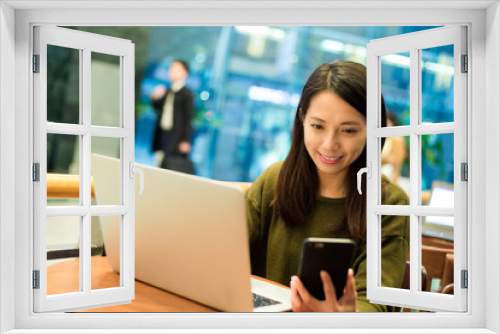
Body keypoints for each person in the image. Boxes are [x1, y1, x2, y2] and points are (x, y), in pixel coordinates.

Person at [245, 61, 410, 312]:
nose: (329, 144)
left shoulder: (388, 202)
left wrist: (345, 316)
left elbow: (375, 308)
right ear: (302, 119)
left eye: (348, 130)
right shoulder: (273, 180)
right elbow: (221, 261)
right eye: (318, 126)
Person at [151, 59, 194, 173]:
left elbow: (188, 118)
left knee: (171, 166)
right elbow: (159, 109)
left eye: (176, 70)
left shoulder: (186, 94)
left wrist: (186, 140)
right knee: (159, 162)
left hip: (176, 136)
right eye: (171, 69)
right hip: (163, 132)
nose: (172, 72)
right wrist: (155, 97)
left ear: (185, 73)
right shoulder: (168, 90)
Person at [381, 112, 408, 184]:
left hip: (389, 177)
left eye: (386, 122)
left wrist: (394, 182)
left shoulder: (397, 139)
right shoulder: (384, 138)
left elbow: (397, 166)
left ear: (392, 123)